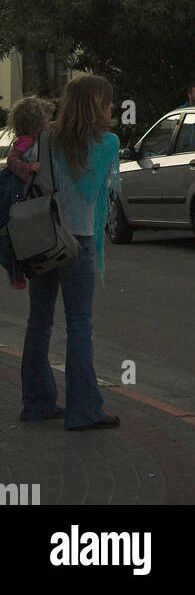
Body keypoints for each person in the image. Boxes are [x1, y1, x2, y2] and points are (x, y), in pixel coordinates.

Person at [18, 73, 121, 430]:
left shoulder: (45, 140)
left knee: (39, 323)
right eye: (108, 102)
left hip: (43, 241)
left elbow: (27, 176)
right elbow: (100, 194)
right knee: (79, 326)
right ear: (97, 106)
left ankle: (37, 403)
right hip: (78, 243)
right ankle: (83, 410)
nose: (112, 108)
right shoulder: (107, 144)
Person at [5, 97, 52, 289]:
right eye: (47, 120)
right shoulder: (26, 142)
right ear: (36, 123)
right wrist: (27, 168)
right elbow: (12, 159)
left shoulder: (35, 141)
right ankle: (16, 271)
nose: (49, 124)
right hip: (19, 193)